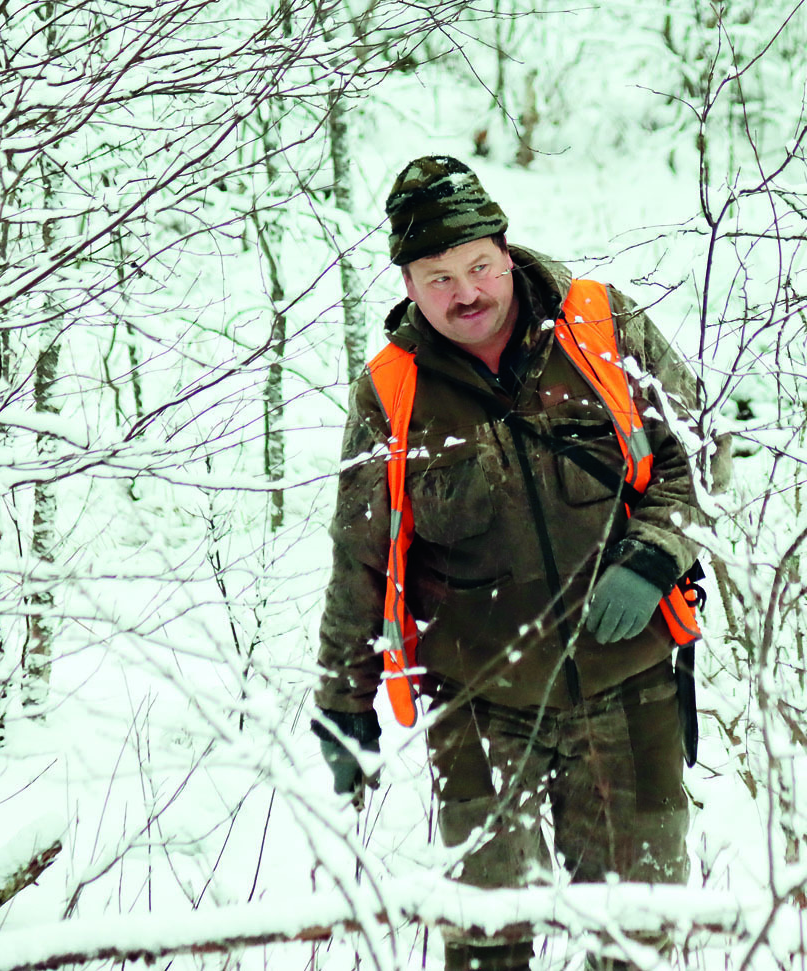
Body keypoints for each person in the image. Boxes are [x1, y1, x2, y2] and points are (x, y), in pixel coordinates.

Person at [312, 155, 707, 971]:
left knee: (641, 940)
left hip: (629, 691)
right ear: (410, 286)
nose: (467, 293)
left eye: (480, 266)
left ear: (506, 249)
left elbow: (694, 453)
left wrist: (654, 555)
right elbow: (361, 555)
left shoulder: (601, 327)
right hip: (481, 708)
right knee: (487, 944)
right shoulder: (392, 392)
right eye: (439, 277)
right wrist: (342, 700)